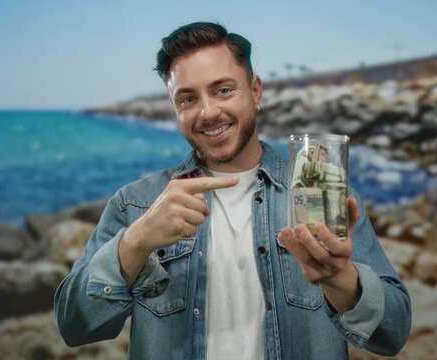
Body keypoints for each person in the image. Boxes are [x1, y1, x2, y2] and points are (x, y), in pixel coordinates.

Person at [54, 21, 411, 359]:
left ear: (255, 92)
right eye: (188, 99)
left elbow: (392, 332)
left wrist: (341, 280)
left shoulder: (320, 192)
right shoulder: (135, 204)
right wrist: (135, 243)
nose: (208, 112)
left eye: (223, 90)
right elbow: (74, 327)